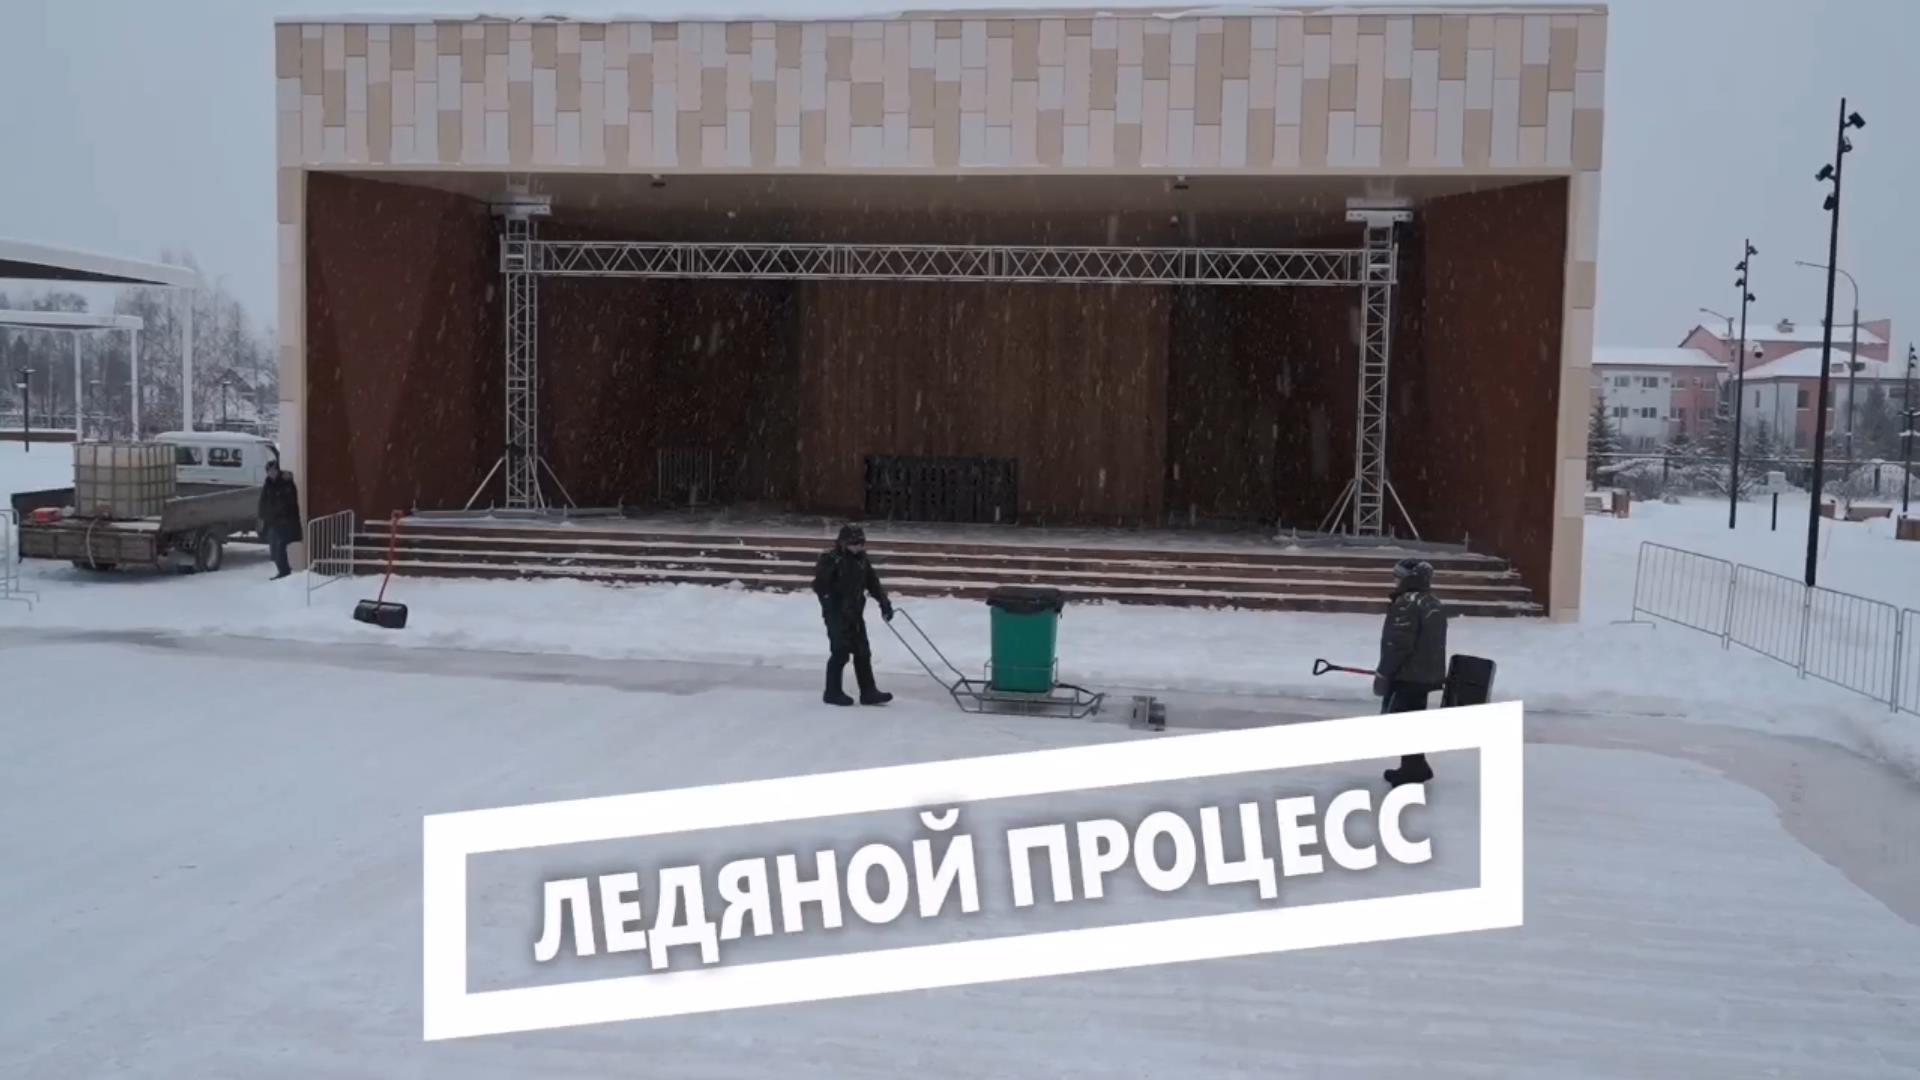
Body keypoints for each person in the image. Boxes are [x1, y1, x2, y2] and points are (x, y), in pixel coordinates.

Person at [1375, 557, 1449, 787]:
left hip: (1407, 674)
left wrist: (1384, 673)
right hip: (1425, 674)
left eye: (1398, 576)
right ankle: (1415, 765)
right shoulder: (1432, 601)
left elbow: (1397, 644)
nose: (1395, 580)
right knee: (1413, 721)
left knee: (1404, 722)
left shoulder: (1407, 603)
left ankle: (1413, 768)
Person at [812, 523, 894, 707]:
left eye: (861, 543)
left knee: (862, 652)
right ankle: (832, 692)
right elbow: (820, 586)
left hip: (855, 612)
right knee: (840, 651)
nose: (858, 547)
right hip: (836, 613)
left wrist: (884, 602)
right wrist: (832, 604)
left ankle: (868, 692)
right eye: (854, 543)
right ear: (843, 543)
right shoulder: (831, 559)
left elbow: (872, 582)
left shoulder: (862, 560)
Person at [258, 460, 303, 580]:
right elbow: (263, 501)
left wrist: (276, 512)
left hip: (286, 521)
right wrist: (263, 516)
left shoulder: (286, 482)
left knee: (280, 546)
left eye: (273, 470)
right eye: (269, 471)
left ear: (278, 470)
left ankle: (284, 572)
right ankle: (282, 570)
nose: (271, 473)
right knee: (275, 547)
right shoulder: (268, 483)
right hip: (273, 521)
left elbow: (288, 502)